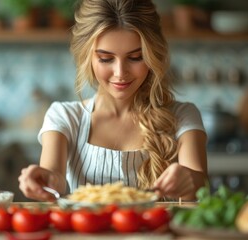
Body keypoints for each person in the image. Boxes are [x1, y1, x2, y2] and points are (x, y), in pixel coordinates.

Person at [18, 0, 207, 202]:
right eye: (106, 59)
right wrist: (45, 180)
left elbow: (198, 185)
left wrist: (189, 179)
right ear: (87, 56)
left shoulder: (183, 116)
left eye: (135, 57)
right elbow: (53, 176)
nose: (120, 73)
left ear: (153, 55)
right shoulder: (64, 117)